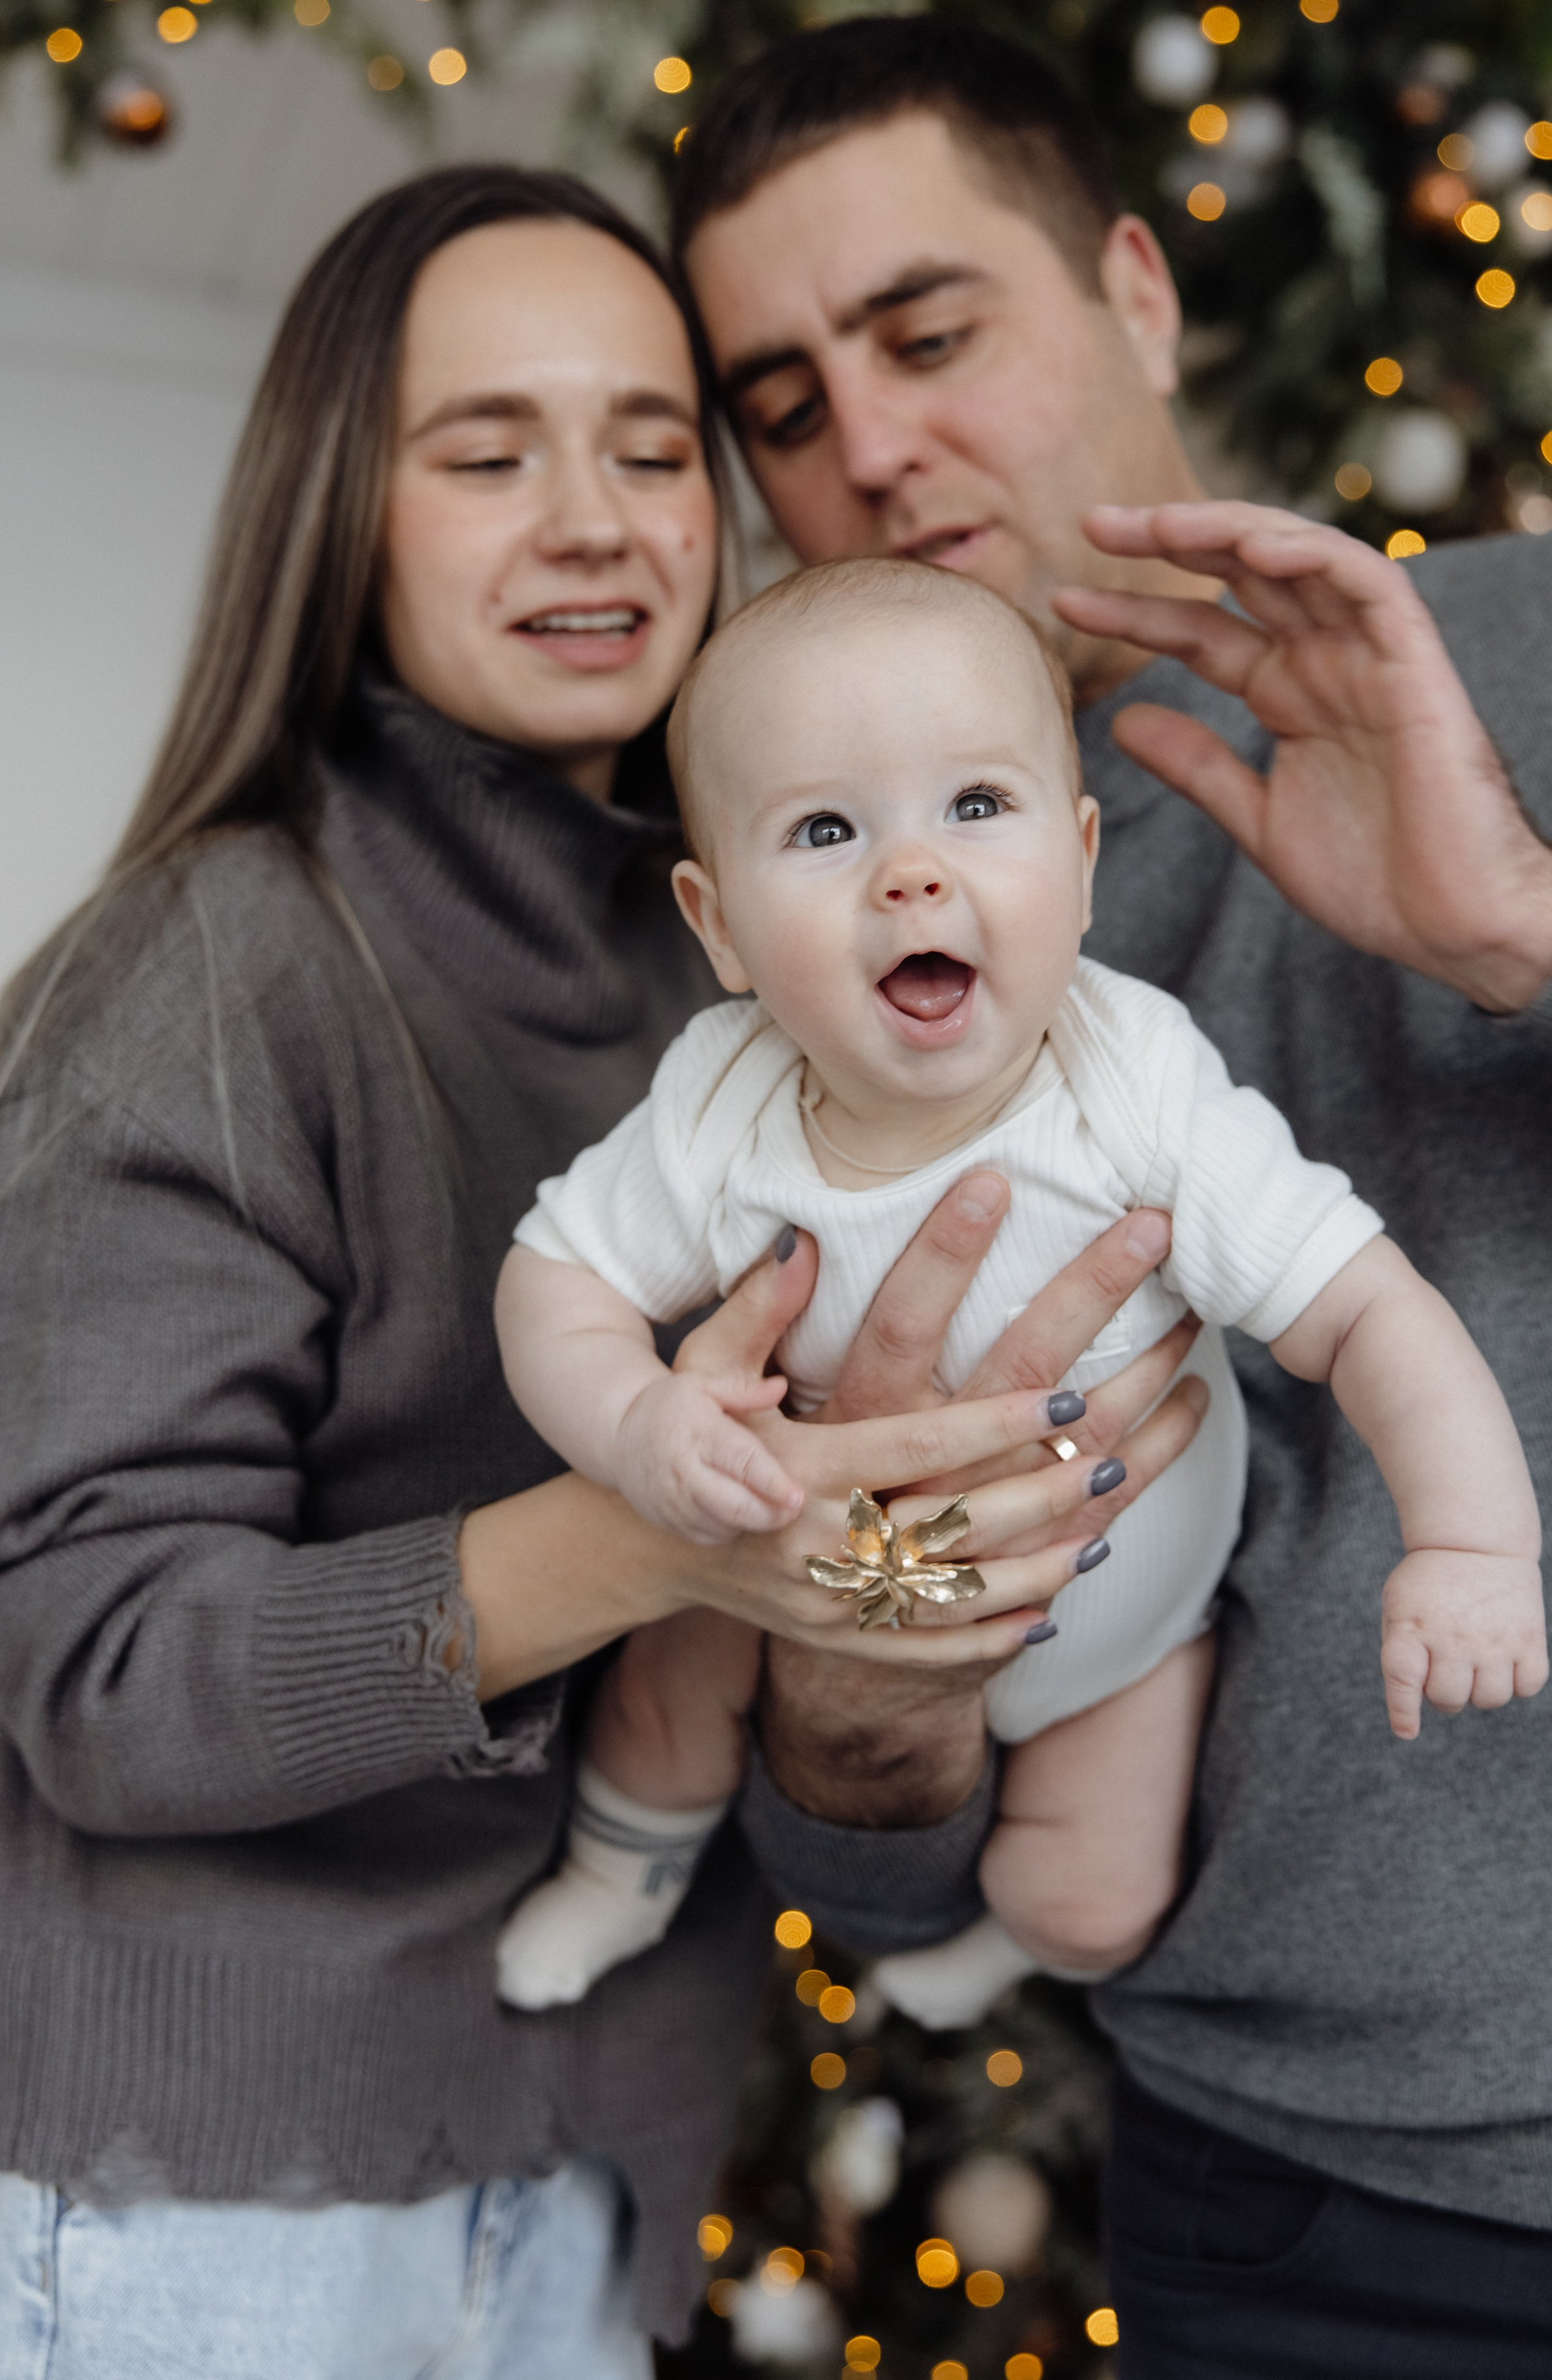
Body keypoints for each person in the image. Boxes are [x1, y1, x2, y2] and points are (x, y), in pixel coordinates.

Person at [0, 163, 1191, 2379]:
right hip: (207, 2199)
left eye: (655, 450)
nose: (600, 521)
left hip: (581, 2165)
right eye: (489, 453)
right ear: (337, 510)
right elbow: (96, 1675)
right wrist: (650, 1537)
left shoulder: (773, 971)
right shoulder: (208, 974)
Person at [671, 18, 1552, 2372]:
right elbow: (849, 1841)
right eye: (788, 406)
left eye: (929, 333)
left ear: (1135, 289)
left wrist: (1527, 918)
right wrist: (865, 1658)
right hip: (1317, 2236)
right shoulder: (804, 1020)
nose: (875, 444)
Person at [489, 555, 1543, 2029]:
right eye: (823, 829)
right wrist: (633, 1430)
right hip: (797, 1576)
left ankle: (1012, 1950)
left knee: (1089, 1899)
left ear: (1085, 856)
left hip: (1122, 1622)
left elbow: (1367, 1309)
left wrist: (1471, 1545)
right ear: (716, 923)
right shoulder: (717, 1107)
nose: (910, 873)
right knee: (661, 1712)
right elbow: (555, 1277)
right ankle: (621, 1875)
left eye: (976, 807)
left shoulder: (1138, 1088)